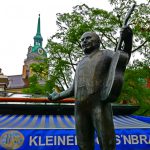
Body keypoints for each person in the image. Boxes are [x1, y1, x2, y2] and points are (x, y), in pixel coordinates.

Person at [48, 26, 133, 150]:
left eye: (88, 38)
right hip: (80, 108)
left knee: (107, 142)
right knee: (83, 144)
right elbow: (73, 89)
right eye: (82, 40)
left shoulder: (106, 54)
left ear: (98, 41)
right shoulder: (80, 63)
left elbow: (123, 58)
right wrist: (58, 96)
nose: (84, 41)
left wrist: (128, 39)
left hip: (99, 105)